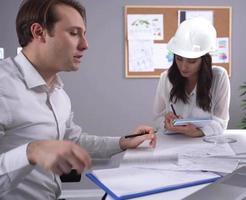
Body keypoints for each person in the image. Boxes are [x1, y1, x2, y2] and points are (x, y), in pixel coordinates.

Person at [0, 0, 156, 199]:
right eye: (74, 33)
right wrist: (30, 152)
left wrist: (124, 142)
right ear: (39, 32)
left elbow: (73, 141)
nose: (85, 44)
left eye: (84, 34)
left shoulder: (58, 93)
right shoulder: (3, 87)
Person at [153, 17, 231, 137]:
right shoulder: (166, 78)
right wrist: (166, 122)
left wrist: (198, 132)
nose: (183, 67)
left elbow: (221, 122)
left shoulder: (219, 77)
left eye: (192, 61)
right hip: (172, 142)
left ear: (204, 60)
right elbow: (157, 118)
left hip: (205, 144)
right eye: (179, 59)